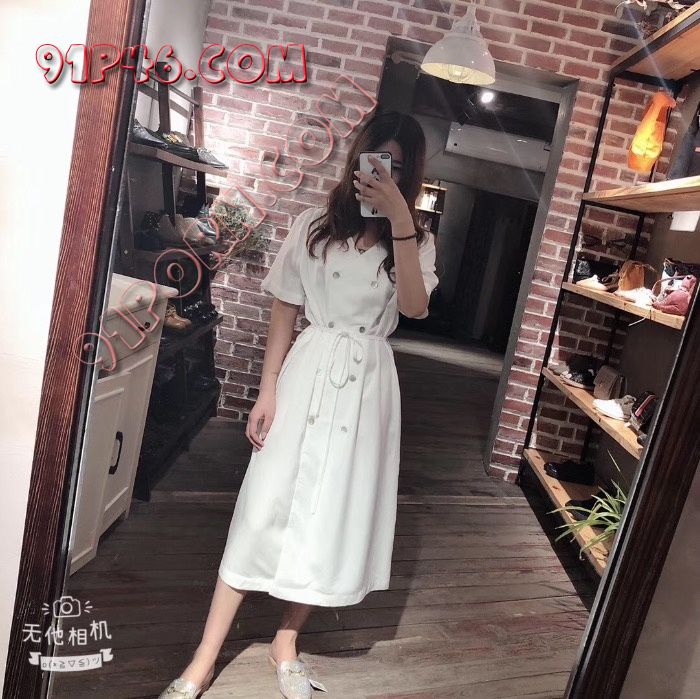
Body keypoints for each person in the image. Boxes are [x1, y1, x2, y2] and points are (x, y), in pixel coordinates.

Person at [158, 110, 439, 699]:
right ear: (359, 157)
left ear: (411, 174)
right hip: (309, 369)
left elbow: (415, 308)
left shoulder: (416, 239)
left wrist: (401, 221)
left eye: (399, 165)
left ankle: (286, 641)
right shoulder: (314, 224)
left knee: (332, 510)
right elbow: (285, 307)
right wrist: (267, 391)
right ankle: (203, 660)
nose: (385, 173)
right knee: (262, 505)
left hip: (368, 384)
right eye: (378, 159)